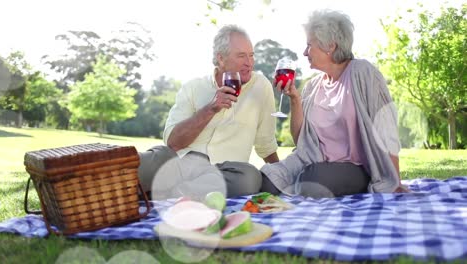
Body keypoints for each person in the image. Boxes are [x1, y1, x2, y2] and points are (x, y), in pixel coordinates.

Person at [260, 9, 408, 198]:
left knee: (311, 181)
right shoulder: (312, 86)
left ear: (330, 46)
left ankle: (304, 188)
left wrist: (394, 180)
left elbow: (385, 125)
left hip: (355, 167)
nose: (305, 52)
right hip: (312, 161)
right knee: (268, 179)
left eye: (309, 45)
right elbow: (301, 141)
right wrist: (295, 100)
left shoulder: (362, 73)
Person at [138, 24, 279, 199]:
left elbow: (265, 144)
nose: (249, 63)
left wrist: (282, 181)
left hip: (223, 173)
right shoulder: (193, 87)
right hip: (181, 165)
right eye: (241, 56)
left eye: (251, 55)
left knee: (250, 178)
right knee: (148, 159)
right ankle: (133, 186)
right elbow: (173, 142)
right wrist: (210, 109)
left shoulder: (260, 86)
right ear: (221, 58)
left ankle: (162, 192)